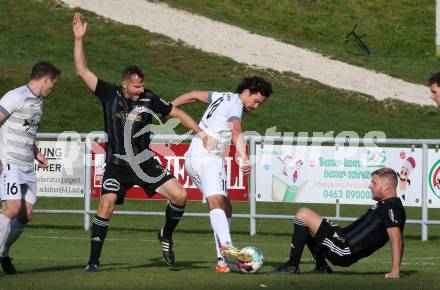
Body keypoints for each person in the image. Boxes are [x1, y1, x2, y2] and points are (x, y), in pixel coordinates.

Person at [72, 13, 209, 272]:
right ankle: (93, 261)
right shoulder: (108, 94)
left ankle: (166, 234)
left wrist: (201, 133)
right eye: (136, 86)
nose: (140, 89)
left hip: (144, 162)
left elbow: (176, 112)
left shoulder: (149, 99)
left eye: (142, 85)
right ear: (125, 85)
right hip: (116, 164)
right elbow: (81, 70)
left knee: (180, 195)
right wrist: (79, 39)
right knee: (106, 204)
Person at [171, 76, 273, 272]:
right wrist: (244, 157)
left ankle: (223, 261)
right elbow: (236, 130)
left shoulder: (221, 96)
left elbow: (193, 95)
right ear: (247, 92)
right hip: (207, 156)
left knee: (225, 206)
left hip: (194, 155)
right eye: (256, 101)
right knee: (218, 202)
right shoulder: (235, 103)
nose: (256, 106)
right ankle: (227, 248)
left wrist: (169, 107)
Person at [271, 167, 405, 279]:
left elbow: (397, 239)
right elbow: (399, 238)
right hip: (342, 236)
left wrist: (395, 271)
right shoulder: (388, 205)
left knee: (303, 214)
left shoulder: (391, 208)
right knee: (306, 217)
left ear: (386, 186)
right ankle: (321, 267)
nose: (370, 186)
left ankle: (292, 266)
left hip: (344, 249)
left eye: (374, 183)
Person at [0, 61, 60, 274]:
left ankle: (3, 252)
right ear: (45, 79)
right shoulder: (15, 95)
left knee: (26, 215)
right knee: (12, 208)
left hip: (27, 164)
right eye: (53, 83)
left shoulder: (38, 102)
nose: (53, 88)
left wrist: (36, 153)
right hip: (10, 161)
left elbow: (27, 132)